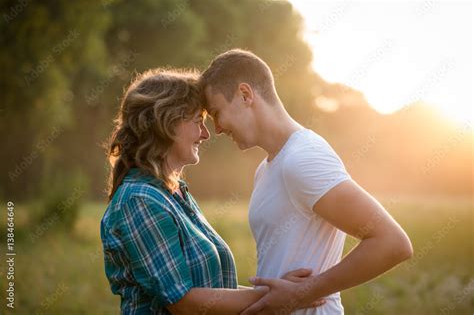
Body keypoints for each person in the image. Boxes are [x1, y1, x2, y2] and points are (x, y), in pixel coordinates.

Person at [200, 49, 413, 315]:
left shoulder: (302, 157)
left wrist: (303, 292)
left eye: (217, 113)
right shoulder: (265, 169)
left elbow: (392, 242)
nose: (217, 129)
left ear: (245, 95)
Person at [100, 68, 325, 314]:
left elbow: (213, 289)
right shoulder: (139, 200)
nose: (206, 134)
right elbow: (184, 302)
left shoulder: (173, 194)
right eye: (198, 122)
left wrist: (276, 291)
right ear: (167, 122)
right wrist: (277, 298)